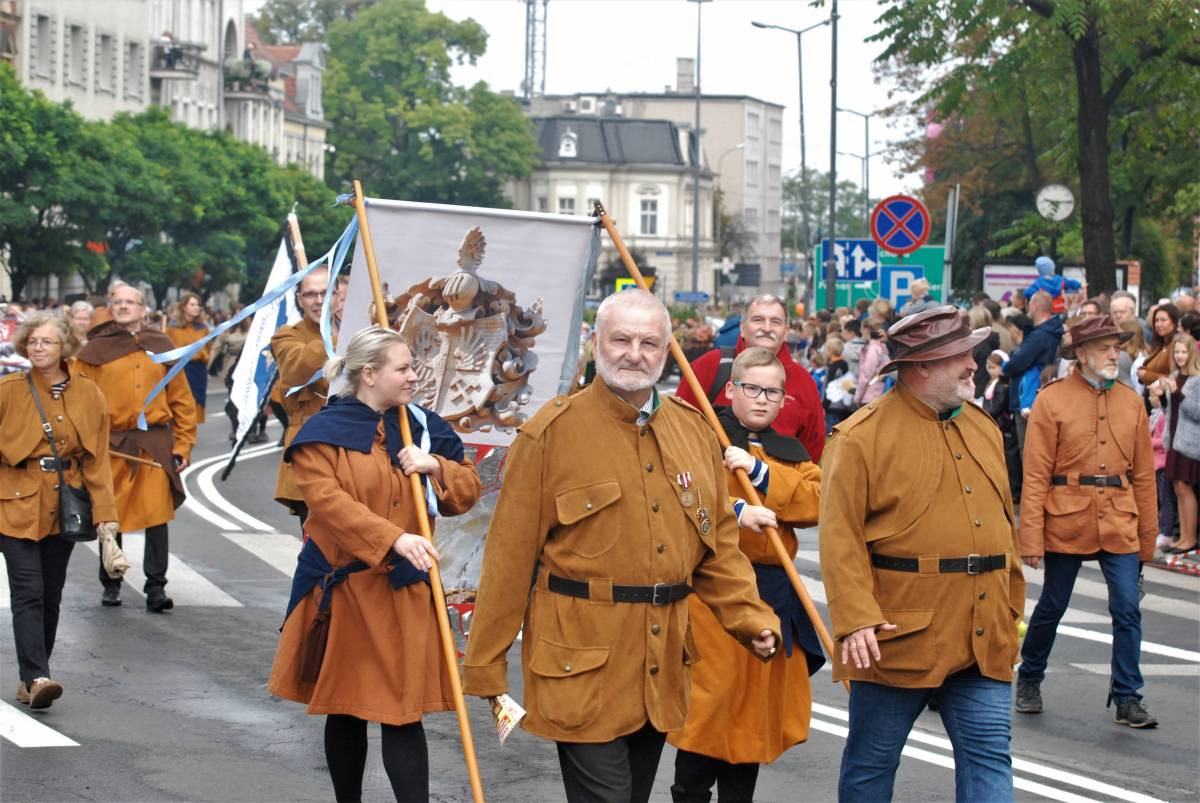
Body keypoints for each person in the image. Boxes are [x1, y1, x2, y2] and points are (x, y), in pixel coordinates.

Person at [461, 289, 780, 803]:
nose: (635, 353)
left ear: (667, 349)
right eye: (622, 340)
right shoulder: (550, 434)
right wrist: (486, 664)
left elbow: (717, 547)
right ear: (595, 343)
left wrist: (751, 619)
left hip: (660, 666)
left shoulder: (695, 432)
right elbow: (508, 558)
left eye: (649, 342)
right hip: (580, 665)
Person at [819, 305, 1025, 802]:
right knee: (871, 767)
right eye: (960, 355)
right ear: (922, 366)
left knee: (990, 761)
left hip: (982, 633)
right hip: (898, 639)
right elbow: (839, 536)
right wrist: (856, 617)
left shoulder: (982, 426)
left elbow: (1001, 522)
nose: (974, 364)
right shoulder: (859, 438)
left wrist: (1012, 602)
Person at [268, 326, 481, 802]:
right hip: (345, 592)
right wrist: (394, 539)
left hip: (402, 593)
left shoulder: (423, 427)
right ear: (369, 374)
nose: (414, 376)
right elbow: (329, 505)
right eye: (403, 368)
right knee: (345, 707)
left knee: (402, 712)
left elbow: (466, 491)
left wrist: (435, 468)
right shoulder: (321, 434)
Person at [668, 347, 824, 803]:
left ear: (782, 400)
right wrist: (735, 511)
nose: (762, 399)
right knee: (709, 711)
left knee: (753, 719)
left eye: (772, 392)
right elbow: (679, 491)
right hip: (714, 595)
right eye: (752, 388)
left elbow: (817, 500)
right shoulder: (700, 437)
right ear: (732, 389)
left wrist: (759, 471)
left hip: (772, 595)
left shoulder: (788, 452)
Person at [1017, 315, 1159, 728]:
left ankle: (1127, 696)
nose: (1115, 354)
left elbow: (1145, 477)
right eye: (1104, 347)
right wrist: (1030, 537)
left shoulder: (1132, 401)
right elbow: (1036, 474)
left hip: (1119, 518)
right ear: (1080, 354)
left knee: (1128, 608)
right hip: (1067, 517)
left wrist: (1146, 542)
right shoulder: (1052, 399)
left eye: (1117, 346)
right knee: (1053, 606)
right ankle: (1029, 677)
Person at [0, 313, 119, 709]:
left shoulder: (89, 393)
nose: (38, 348)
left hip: (65, 504)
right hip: (13, 503)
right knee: (28, 590)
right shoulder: (9, 389)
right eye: (33, 341)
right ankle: (36, 676)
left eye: (48, 342)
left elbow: (98, 460)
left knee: (51, 593)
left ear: (65, 346)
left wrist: (107, 517)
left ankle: (34, 674)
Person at [76, 284, 196, 611]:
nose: (124, 306)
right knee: (109, 515)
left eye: (131, 302)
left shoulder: (162, 346)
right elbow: (78, 401)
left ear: (144, 309)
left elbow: (182, 400)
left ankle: (156, 587)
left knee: (157, 516)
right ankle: (111, 580)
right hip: (111, 445)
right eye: (118, 302)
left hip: (154, 443)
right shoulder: (94, 351)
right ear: (111, 308)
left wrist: (183, 444)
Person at [677, 294, 826, 461]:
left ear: (786, 331)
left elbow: (812, 449)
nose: (767, 328)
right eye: (758, 320)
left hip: (779, 484)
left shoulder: (804, 381)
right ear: (742, 327)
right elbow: (678, 426)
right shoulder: (709, 366)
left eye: (775, 322)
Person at [271, 267, 334, 524]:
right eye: (310, 294)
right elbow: (295, 370)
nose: (319, 301)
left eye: (325, 293)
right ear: (299, 299)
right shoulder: (287, 335)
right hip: (311, 449)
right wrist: (332, 333)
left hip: (357, 451)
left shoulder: (359, 328)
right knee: (317, 548)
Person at [1149, 334, 1200, 554]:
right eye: (1176, 352)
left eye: (1183, 351)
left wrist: (1177, 393)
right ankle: (1182, 539)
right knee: (1178, 488)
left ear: (1191, 354)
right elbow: (1171, 410)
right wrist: (1162, 397)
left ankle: (1190, 538)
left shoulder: (1196, 379)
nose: (1179, 356)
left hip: (1190, 443)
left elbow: (1196, 412)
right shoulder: (1175, 376)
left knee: (1186, 488)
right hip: (1174, 440)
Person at [1002, 291, 1063, 449]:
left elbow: (1016, 363)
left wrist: (1006, 365)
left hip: (1028, 398)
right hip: (1040, 394)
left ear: (1034, 306)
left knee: (1028, 451)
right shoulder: (1054, 331)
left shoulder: (1039, 335)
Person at [165, 292, 213, 424]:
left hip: (198, 370)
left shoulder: (203, 329)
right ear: (184, 307)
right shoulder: (172, 328)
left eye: (198, 305)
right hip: (180, 369)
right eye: (192, 304)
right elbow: (167, 348)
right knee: (179, 399)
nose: (196, 307)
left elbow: (208, 349)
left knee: (196, 399)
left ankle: (189, 428)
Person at [1138, 302, 1180, 387]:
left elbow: (1176, 378)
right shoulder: (1161, 345)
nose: (1158, 324)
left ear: (1174, 322)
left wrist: (1146, 375)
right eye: (1156, 320)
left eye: (1163, 320)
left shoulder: (1176, 346)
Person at [851, 317, 888, 408]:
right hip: (878, 394)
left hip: (870, 397)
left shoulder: (872, 349)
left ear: (866, 329)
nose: (861, 331)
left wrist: (857, 397)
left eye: (862, 328)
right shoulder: (882, 346)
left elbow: (866, 376)